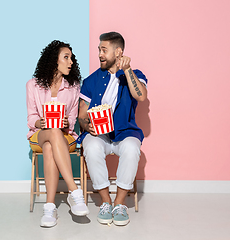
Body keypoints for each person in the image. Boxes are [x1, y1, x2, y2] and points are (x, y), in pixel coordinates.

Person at [77, 32, 148, 226]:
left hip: (125, 133)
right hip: (99, 135)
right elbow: (81, 115)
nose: (99, 54)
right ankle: (106, 202)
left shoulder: (135, 74)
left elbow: (141, 96)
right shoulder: (90, 81)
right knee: (90, 147)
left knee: (133, 148)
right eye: (99, 49)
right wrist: (86, 125)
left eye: (104, 50)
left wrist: (127, 70)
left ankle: (119, 203)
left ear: (118, 52)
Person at [26, 40, 89, 228]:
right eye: (66, 57)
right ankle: (74, 192)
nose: (71, 62)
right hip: (39, 134)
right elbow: (31, 118)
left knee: (49, 146)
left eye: (71, 58)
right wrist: (40, 122)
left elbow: (72, 120)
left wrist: (66, 122)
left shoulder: (74, 86)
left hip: (65, 136)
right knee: (50, 133)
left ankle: (49, 207)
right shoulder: (33, 85)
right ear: (54, 60)